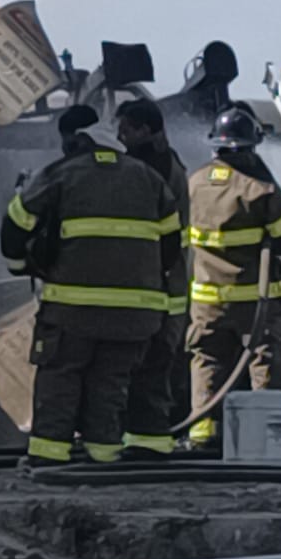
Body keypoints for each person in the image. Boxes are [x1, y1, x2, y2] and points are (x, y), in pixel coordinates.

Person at [0, 105, 180, 467]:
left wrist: (21, 265)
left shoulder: (61, 174)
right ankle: (104, 456)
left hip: (71, 309)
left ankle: (49, 456)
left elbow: (16, 224)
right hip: (134, 315)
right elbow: (170, 247)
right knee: (110, 382)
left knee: (61, 376)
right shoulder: (150, 179)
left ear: (77, 143)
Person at [185, 103, 281, 450]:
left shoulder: (194, 183)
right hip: (256, 301)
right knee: (266, 362)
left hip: (207, 302)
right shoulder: (259, 190)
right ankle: (270, 437)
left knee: (208, 361)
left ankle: (203, 435)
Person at [115, 98, 190, 458]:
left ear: (145, 129)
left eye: (127, 129)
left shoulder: (147, 169)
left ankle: (146, 443)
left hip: (154, 289)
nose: (120, 136)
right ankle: (146, 440)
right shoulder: (168, 162)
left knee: (146, 367)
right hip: (164, 287)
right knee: (152, 367)